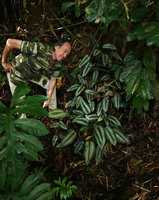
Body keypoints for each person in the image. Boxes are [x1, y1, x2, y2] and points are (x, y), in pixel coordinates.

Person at [1, 38, 71, 110]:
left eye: (67, 54)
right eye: (64, 51)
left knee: (50, 86)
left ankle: (53, 111)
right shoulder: (39, 49)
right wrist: (4, 62)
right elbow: (10, 42)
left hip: (33, 74)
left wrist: (48, 97)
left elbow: (53, 80)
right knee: (21, 107)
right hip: (16, 75)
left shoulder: (57, 64)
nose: (65, 55)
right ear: (57, 47)